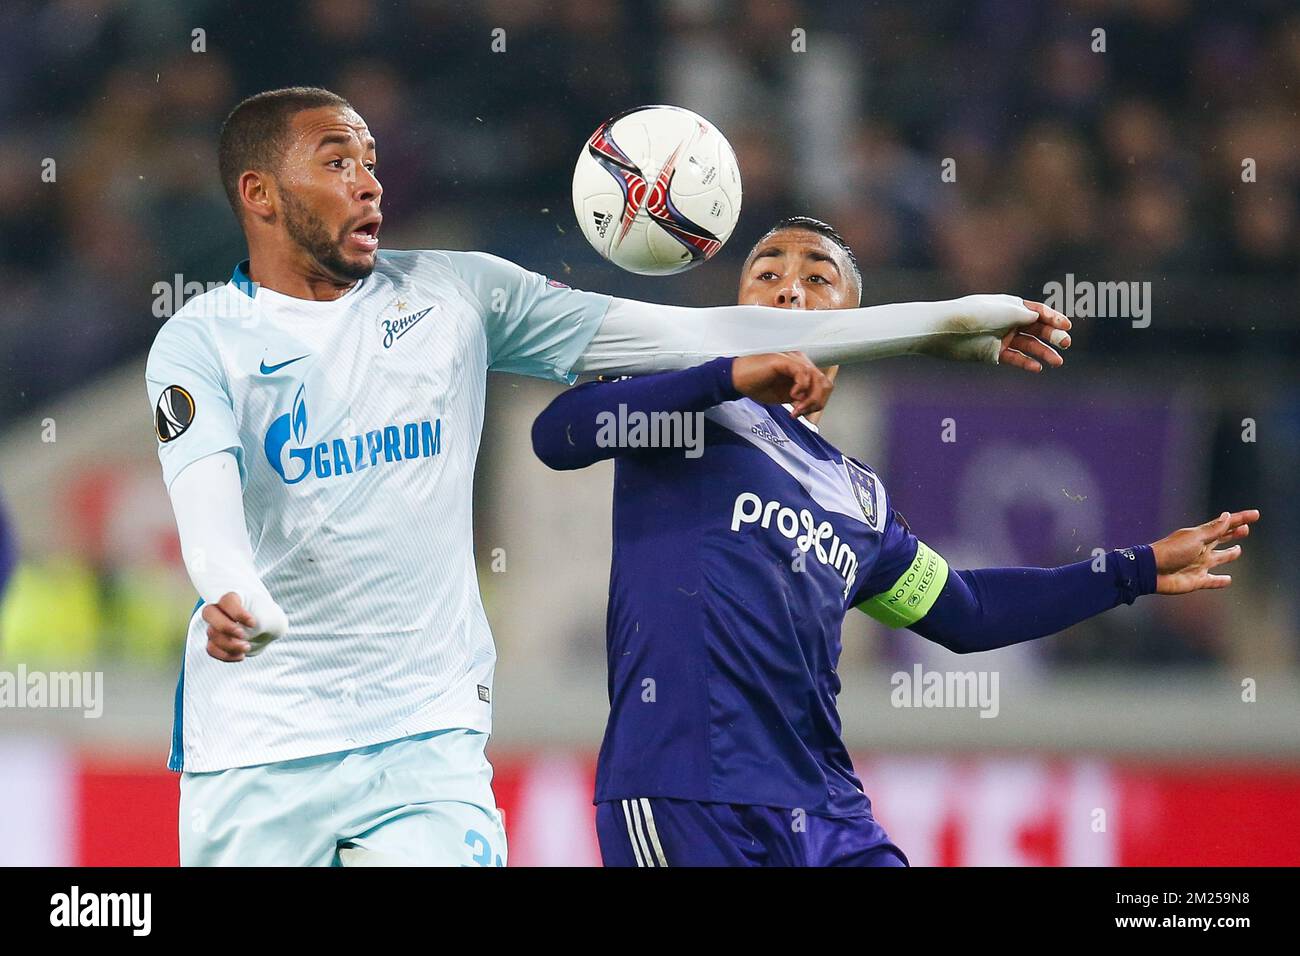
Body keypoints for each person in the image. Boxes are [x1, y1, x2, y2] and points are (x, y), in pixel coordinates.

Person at [149, 86, 1069, 866]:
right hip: (258, 744)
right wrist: (232, 587)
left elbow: (708, 336)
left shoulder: (458, 293)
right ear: (260, 192)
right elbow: (204, 492)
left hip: (424, 744)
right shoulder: (199, 342)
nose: (370, 181)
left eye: (373, 159)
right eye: (338, 160)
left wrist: (956, 319)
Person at [531, 216, 1260, 867]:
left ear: (856, 326)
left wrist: (1134, 569)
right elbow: (557, 435)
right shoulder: (693, 402)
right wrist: (725, 374)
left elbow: (966, 612)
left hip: (826, 811)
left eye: (819, 278)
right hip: (686, 795)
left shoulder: (858, 498)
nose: (791, 290)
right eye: (768, 273)